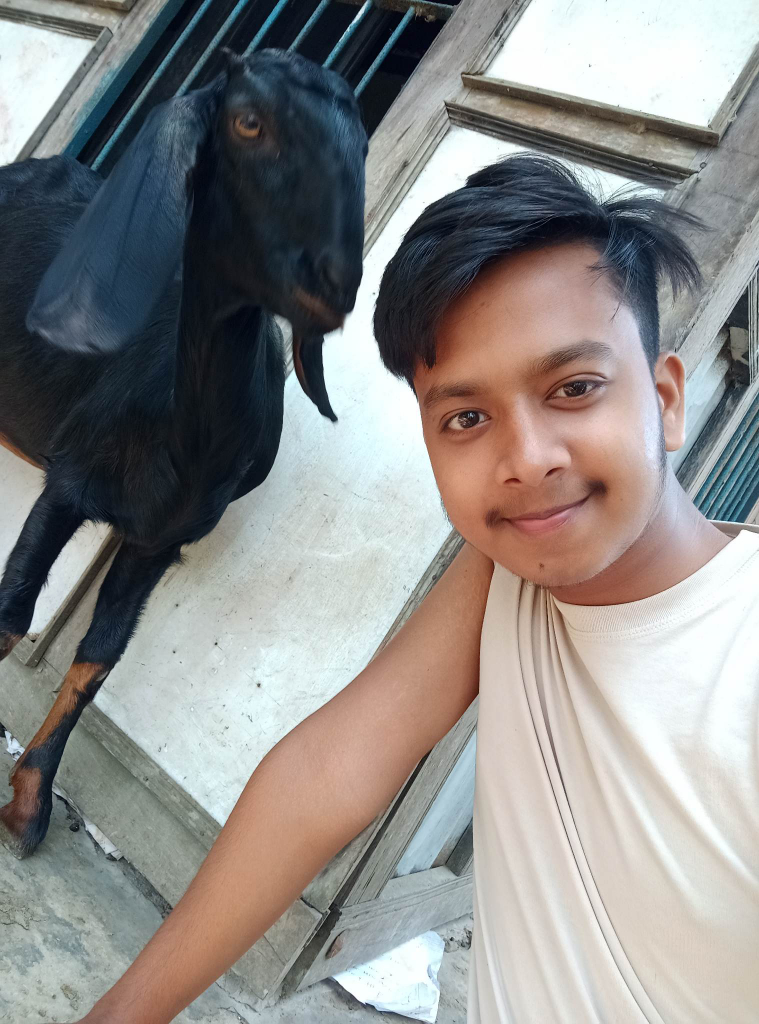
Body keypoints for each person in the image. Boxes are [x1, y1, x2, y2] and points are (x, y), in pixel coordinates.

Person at [73, 155, 759, 1024]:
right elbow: (329, 770)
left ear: (664, 399)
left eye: (573, 388)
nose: (526, 460)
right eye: (466, 418)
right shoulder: (508, 578)